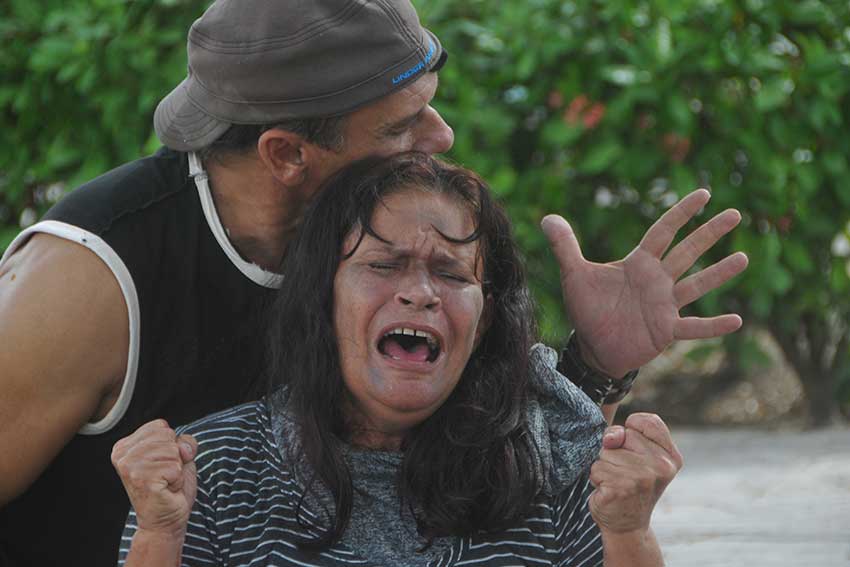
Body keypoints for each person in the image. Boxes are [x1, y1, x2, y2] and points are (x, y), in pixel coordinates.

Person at [0, 0, 747, 565]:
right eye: (401, 126)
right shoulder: (90, 278)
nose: (442, 138)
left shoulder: (367, 215)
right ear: (288, 153)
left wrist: (593, 365)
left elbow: (527, 466)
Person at [113, 152, 684, 567]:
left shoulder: (552, 465)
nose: (421, 293)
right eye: (384, 265)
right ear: (323, 297)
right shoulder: (209, 473)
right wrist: (161, 533)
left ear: (484, 319)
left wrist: (630, 532)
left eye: (451, 273)